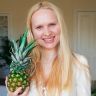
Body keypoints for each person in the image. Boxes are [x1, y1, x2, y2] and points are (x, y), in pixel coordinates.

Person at [6, 1, 91, 96]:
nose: (47, 32)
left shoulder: (79, 63)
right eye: (39, 27)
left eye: (52, 24)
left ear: (60, 26)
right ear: (32, 32)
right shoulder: (23, 69)